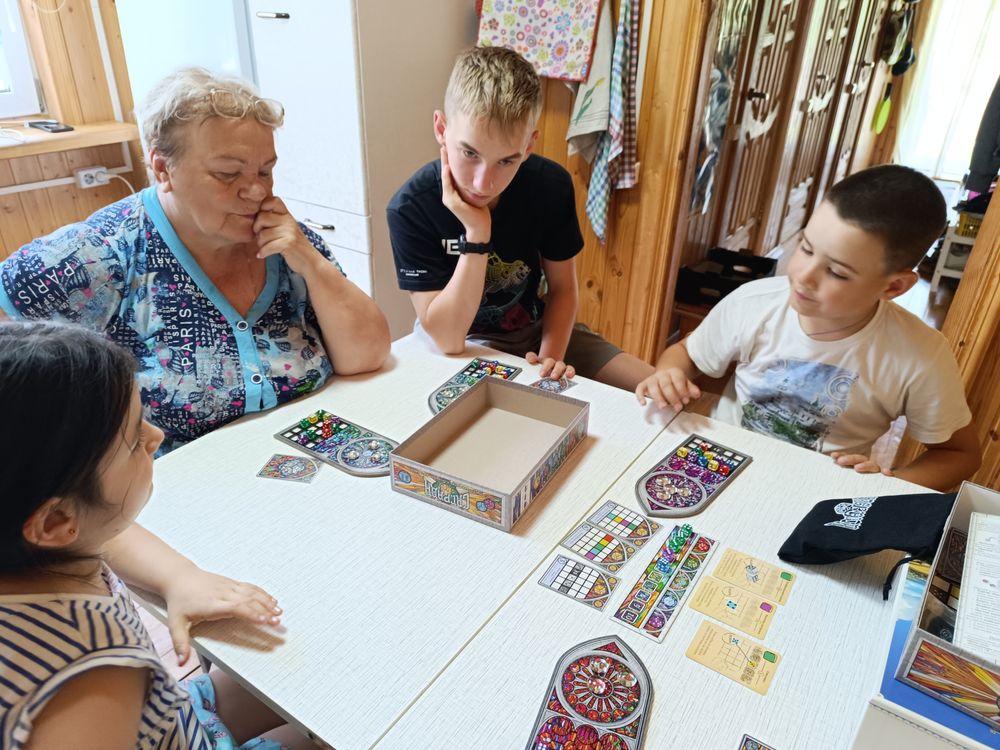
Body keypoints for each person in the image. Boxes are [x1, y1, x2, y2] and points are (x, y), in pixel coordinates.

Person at [0, 68, 390, 454]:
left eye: (266, 170)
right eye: (228, 174)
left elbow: (367, 355)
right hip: (177, 482)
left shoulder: (287, 241)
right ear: (162, 168)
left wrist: (311, 261)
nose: (256, 191)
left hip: (307, 458)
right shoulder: (102, 250)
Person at [0, 320, 316, 749]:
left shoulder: (41, 542)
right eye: (134, 439)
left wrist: (179, 576)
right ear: (54, 521)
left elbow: (107, 536)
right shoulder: (90, 677)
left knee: (295, 672)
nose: (156, 437)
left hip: (165, 719)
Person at [636, 165, 981, 492]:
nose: (803, 275)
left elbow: (960, 454)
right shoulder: (754, 302)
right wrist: (669, 374)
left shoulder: (921, 355)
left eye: (837, 272)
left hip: (817, 492)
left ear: (893, 287)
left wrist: (884, 487)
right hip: (715, 463)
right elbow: (685, 354)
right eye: (806, 248)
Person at [387, 46, 654, 390]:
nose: (483, 183)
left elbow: (563, 289)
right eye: (469, 152)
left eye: (506, 161)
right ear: (441, 128)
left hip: (538, 331)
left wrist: (550, 360)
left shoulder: (551, 185)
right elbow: (448, 339)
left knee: (654, 388)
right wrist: (476, 234)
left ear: (529, 146)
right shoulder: (410, 208)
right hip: (461, 341)